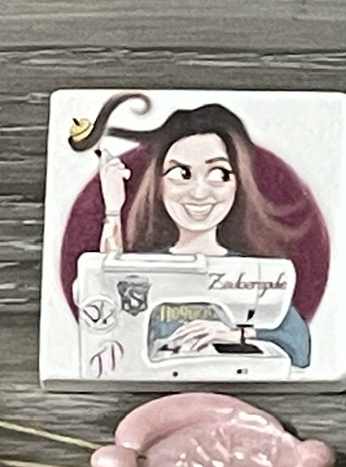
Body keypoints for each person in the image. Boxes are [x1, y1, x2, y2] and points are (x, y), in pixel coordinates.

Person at [92, 102, 313, 366]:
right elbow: (104, 286)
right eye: (181, 174)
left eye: (219, 174)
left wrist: (236, 334)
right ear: (159, 185)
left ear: (238, 184)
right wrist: (113, 209)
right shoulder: (146, 266)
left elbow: (298, 345)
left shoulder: (253, 274)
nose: (199, 192)